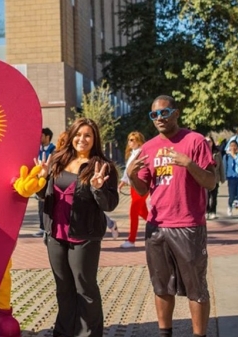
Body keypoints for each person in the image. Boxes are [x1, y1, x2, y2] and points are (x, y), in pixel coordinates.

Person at [126, 95, 215, 337]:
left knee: (196, 288)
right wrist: (133, 175)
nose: (159, 119)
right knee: (161, 286)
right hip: (157, 226)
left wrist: (189, 164)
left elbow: (211, 182)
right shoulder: (148, 148)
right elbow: (143, 189)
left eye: (164, 113)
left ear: (175, 113)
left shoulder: (195, 141)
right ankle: (165, 333)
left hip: (188, 225)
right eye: (154, 115)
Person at [35, 117, 119, 337]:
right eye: (78, 134)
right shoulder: (56, 160)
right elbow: (43, 196)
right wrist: (41, 181)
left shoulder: (102, 166)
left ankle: (88, 333)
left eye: (88, 135)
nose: (82, 139)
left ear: (94, 139)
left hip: (84, 236)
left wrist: (98, 188)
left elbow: (109, 204)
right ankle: (63, 332)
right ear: (71, 136)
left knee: (85, 289)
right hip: (55, 234)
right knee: (63, 289)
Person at [117, 131, 148, 248]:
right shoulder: (134, 153)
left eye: (132, 140)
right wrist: (121, 184)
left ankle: (131, 240)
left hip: (140, 186)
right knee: (142, 212)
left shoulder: (141, 153)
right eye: (129, 139)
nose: (129, 142)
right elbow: (127, 172)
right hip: (134, 186)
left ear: (138, 141)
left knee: (133, 212)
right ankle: (160, 227)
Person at [34, 127, 56, 237]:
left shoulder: (54, 150)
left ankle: (48, 227)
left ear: (47, 137)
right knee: (40, 204)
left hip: (50, 179)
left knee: (48, 203)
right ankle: (42, 227)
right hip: (40, 179)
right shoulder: (38, 149)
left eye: (41, 135)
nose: (39, 137)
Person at [224, 140, 238, 220]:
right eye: (231, 146)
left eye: (234, 146)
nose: (233, 147)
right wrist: (224, 177)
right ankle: (230, 206)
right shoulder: (226, 156)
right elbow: (224, 167)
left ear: (237, 147)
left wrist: (237, 156)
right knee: (232, 195)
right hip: (231, 178)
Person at [205, 136, 225, 219]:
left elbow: (221, 166)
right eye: (206, 141)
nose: (208, 143)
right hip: (204, 177)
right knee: (206, 196)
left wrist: (222, 177)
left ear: (212, 142)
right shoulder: (201, 151)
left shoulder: (217, 152)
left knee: (214, 196)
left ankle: (213, 212)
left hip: (215, 177)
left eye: (210, 141)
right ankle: (206, 211)